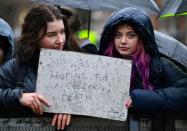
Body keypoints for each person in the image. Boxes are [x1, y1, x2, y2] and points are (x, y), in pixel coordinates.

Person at [0, 4, 77, 130]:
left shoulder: (79, 66)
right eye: (51, 35)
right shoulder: (15, 67)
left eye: (62, 32)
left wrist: (74, 108)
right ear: (34, 37)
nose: (60, 40)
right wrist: (19, 97)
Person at [99, 7, 187, 113]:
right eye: (118, 35)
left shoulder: (159, 65)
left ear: (142, 38)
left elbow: (184, 92)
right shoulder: (102, 65)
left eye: (131, 35)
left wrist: (140, 98)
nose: (123, 41)